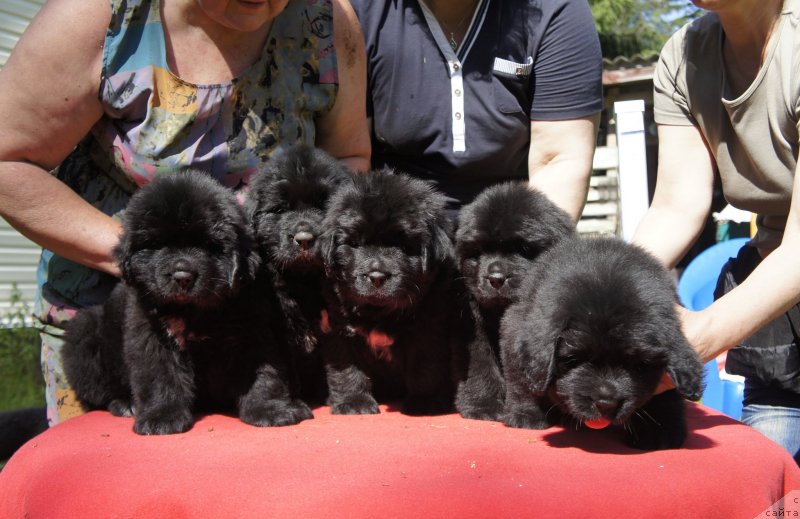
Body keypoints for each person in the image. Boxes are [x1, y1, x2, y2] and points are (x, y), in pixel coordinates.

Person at [0, 0, 370, 426]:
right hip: (124, 321)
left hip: (266, 327)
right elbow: (8, 162)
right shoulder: (98, 14)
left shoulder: (327, 19)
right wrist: (145, 259)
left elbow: (347, 158)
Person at [634, 0, 800, 463]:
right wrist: (610, 296)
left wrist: (701, 335)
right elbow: (675, 206)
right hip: (777, 315)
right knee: (765, 486)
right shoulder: (684, 56)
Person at [349, 0, 603, 220]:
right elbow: (351, 157)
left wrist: (516, 249)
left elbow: (558, 160)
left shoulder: (555, 10)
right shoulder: (356, 12)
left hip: (509, 233)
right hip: (392, 234)